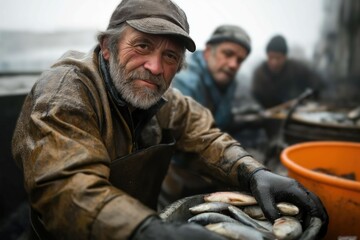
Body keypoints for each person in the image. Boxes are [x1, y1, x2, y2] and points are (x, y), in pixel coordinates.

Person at [12, 0, 328, 239]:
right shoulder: (65, 92)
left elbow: (206, 138)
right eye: (142, 45)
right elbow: (67, 188)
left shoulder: (164, 101)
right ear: (107, 47)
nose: (155, 66)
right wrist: (150, 231)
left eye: (170, 56)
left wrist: (254, 173)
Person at [159, 25, 268, 206]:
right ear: (209, 52)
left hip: (206, 168)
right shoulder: (185, 83)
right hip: (178, 176)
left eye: (239, 60)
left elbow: (219, 121)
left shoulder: (227, 82)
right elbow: (188, 141)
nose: (233, 64)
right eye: (228, 54)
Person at [251, 34, 324, 109]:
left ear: (285, 57)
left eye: (278, 58)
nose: (274, 62)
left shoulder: (297, 69)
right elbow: (257, 96)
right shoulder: (259, 74)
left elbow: (317, 85)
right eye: (271, 57)